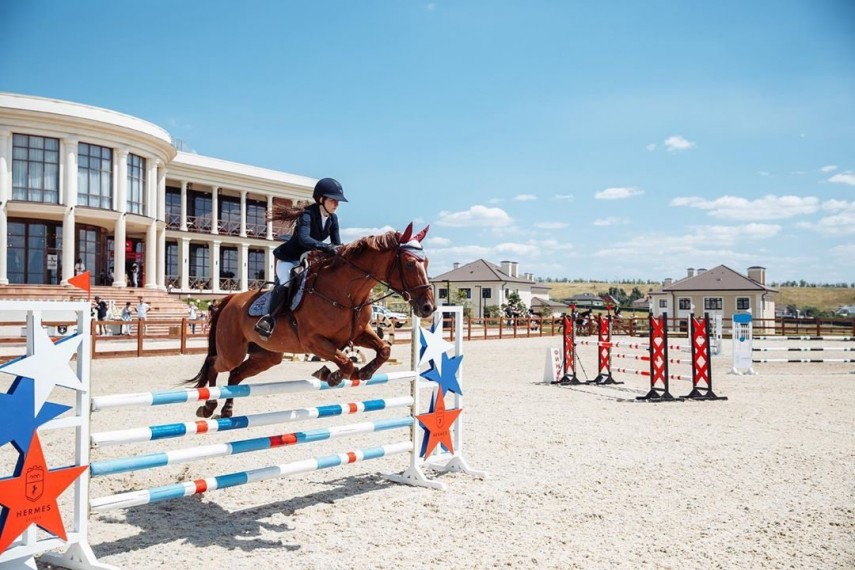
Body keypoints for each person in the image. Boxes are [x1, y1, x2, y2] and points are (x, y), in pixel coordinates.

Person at [254, 177, 348, 339]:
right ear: (321, 199)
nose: (337, 205)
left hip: (308, 260)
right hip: (289, 259)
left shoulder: (333, 219)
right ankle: (268, 319)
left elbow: (336, 243)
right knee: (286, 281)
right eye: (333, 200)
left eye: (338, 202)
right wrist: (326, 247)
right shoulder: (307, 215)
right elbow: (304, 239)